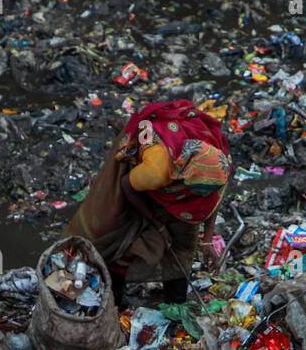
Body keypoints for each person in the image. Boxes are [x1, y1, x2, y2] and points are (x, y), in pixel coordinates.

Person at [67, 99, 231, 307]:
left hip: (175, 183)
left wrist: (207, 240)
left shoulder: (218, 163)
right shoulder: (157, 171)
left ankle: (176, 302)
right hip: (137, 181)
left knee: (183, 243)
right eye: (196, 192)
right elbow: (127, 186)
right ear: (182, 177)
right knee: (124, 238)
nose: (200, 198)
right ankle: (116, 301)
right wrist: (156, 222)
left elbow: (211, 200)